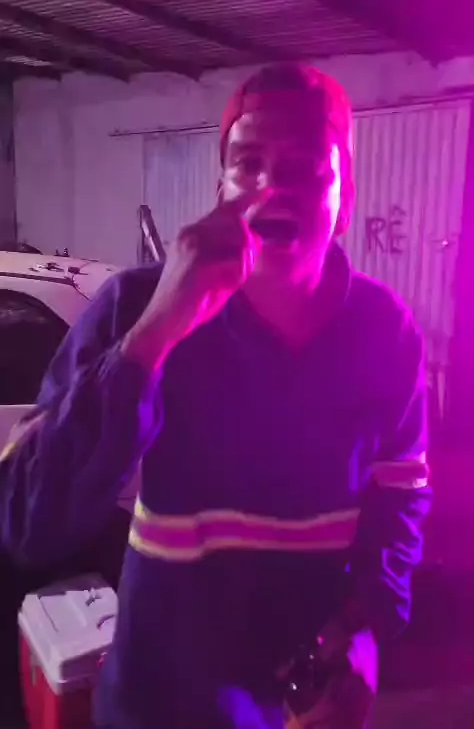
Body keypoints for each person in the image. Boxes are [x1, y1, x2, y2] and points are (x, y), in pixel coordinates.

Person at [0, 64, 431, 729]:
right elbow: (27, 521)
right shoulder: (134, 306)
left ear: (345, 199)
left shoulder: (387, 332)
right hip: (154, 707)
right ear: (220, 189)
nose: (270, 187)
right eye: (248, 164)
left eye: (304, 167)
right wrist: (156, 332)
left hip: (297, 708)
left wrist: (368, 624)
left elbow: (400, 496)